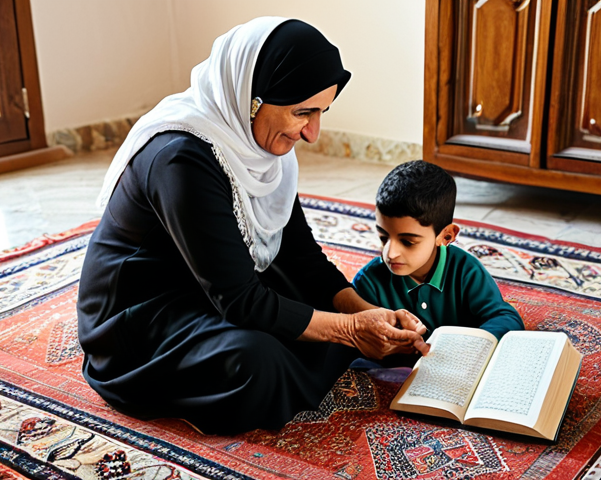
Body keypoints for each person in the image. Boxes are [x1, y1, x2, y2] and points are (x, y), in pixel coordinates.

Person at [77, 17, 428, 435]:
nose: (313, 134)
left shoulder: (260, 146)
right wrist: (350, 332)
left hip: (207, 283)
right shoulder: (180, 158)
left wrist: (371, 313)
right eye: (303, 113)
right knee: (257, 361)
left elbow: (301, 256)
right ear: (250, 100)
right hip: (141, 314)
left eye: (321, 113)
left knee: (308, 301)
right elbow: (241, 301)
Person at [353, 160, 525, 345]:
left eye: (408, 242)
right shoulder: (369, 281)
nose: (390, 253)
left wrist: (470, 345)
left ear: (446, 236)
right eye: (383, 237)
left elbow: (506, 318)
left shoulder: (466, 271)